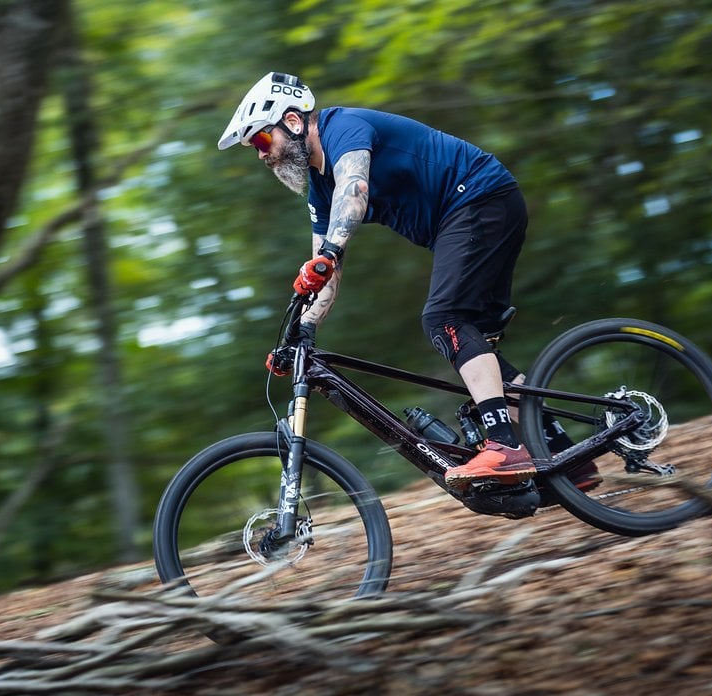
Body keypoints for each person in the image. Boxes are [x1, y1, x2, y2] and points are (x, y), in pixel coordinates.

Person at [218, 72, 556, 487]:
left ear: (291, 122)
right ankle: (564, 455)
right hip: (476, 211)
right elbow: (325, 274)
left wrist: (329, 253)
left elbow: (354, 189)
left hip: (479, 198)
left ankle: (505, 447)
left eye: (261, 141)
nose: (261, 155)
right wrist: (301, 332)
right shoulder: (319, 193)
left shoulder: (343, 128)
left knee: (443, 318)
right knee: (472, 347)